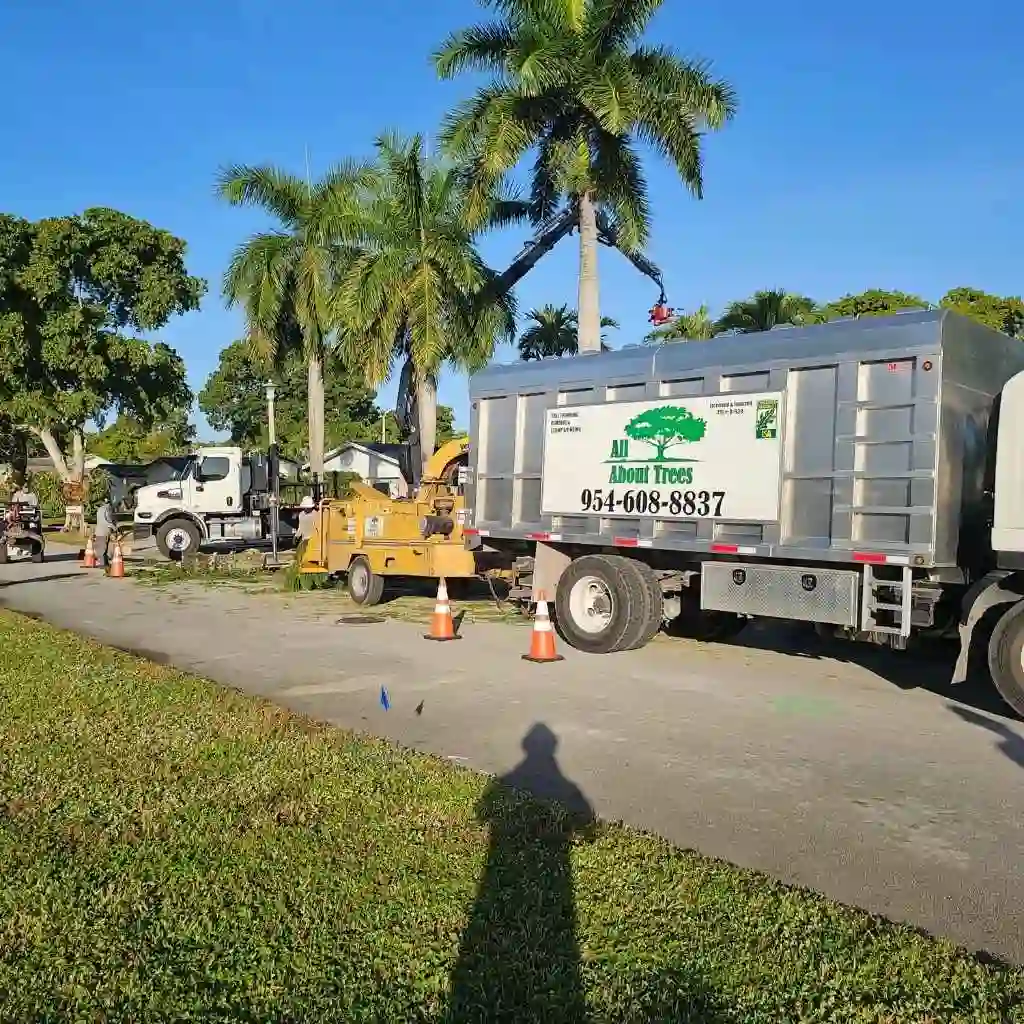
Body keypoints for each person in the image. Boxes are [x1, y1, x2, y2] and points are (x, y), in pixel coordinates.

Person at [93, 494, 116, 568]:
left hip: (99, 529)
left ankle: (102, 562)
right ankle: (104, 563)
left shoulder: (100, 509)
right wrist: (114, 528)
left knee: (101, 546)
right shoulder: (109, 508)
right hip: (105, 529)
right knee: (105, 547)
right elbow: (109, 519)